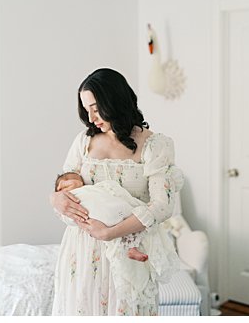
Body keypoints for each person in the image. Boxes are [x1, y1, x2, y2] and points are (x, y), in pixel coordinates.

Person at [49, 68, 184, 315]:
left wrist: (111, 232)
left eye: (96, 109)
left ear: (114, 101)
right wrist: (55, 198)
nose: (91, 119)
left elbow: (162, 206)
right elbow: (66, 184)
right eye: (86, 110)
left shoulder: (155, 145)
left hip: (127, 248)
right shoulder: (83, 141)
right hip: (83, 252)